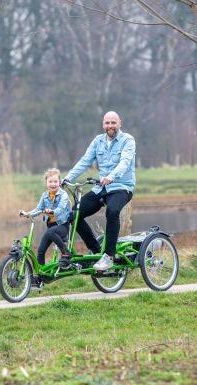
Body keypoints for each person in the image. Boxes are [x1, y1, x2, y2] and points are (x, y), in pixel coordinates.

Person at [63, 111, 135, 271]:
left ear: (119, 123)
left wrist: (111, 176)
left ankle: (109, 256)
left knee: (112, 211)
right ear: (103, 124)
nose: (110, 126)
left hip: (121, 187)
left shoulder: (127, 140)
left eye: (113, 123)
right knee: (74, 215)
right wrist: (67, 178)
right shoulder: (98, 141)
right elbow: (85, 161)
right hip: (101, 188)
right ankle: (97, 251)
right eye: (107, 123)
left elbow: (124, 163)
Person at [20, 168, 73, 267]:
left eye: (55, 181)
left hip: (62, 226)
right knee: (40, 251)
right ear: (46, 182)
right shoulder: (45, 195)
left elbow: (61, 209)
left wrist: (52, 211)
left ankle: (66, 252)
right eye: (50, 181)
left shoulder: (63, 195)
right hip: (51, 228)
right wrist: (27, 214)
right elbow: (38, 209)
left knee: (50, 232)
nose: (53, 184)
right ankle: (41, 276)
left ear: (59, 182)